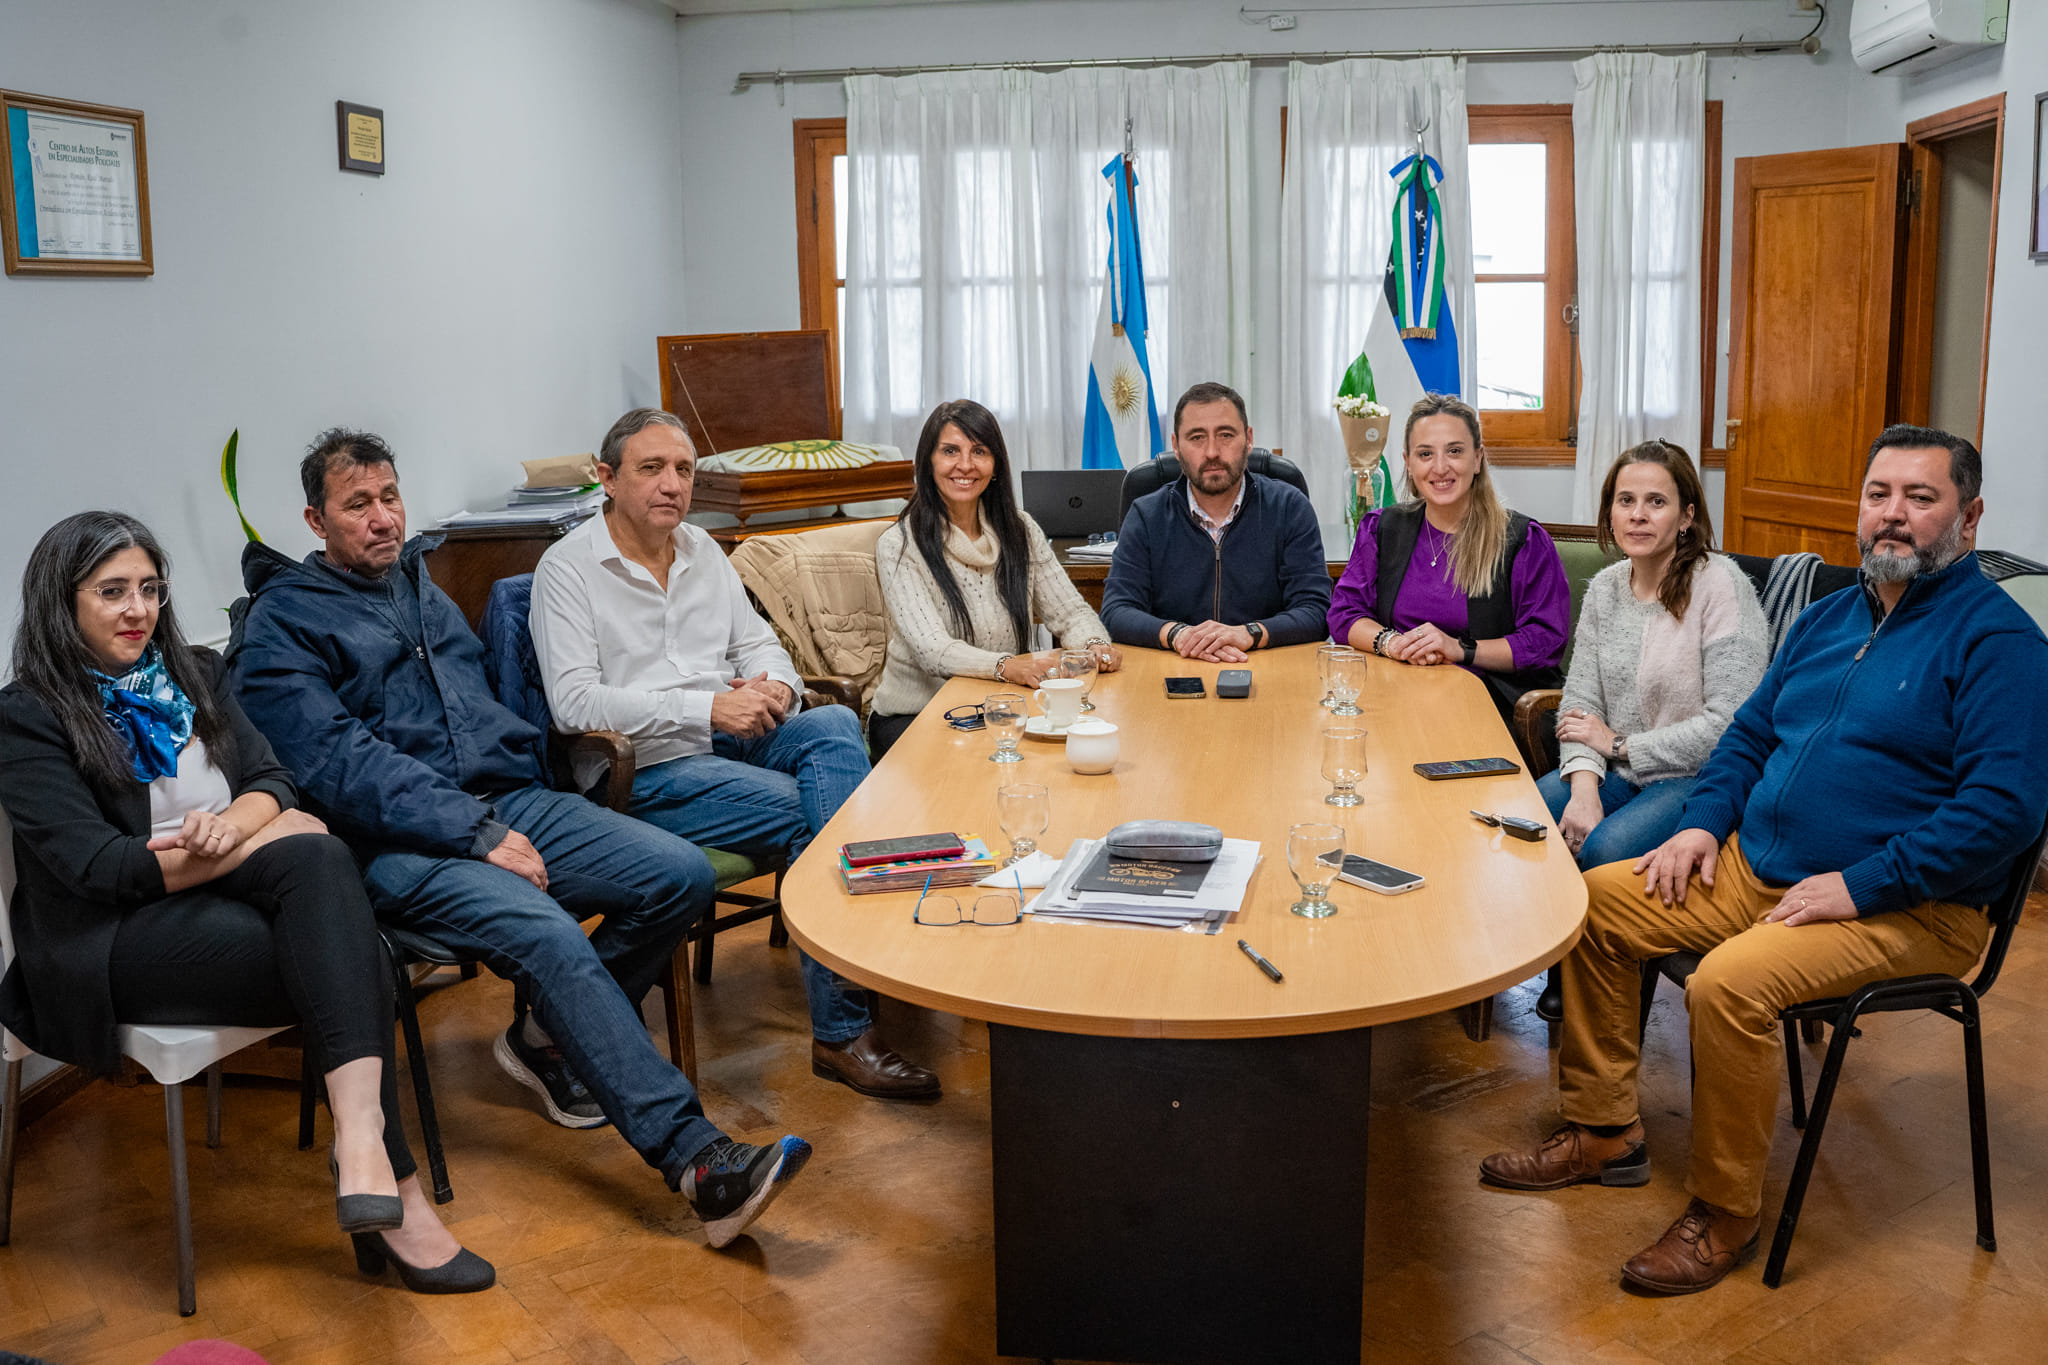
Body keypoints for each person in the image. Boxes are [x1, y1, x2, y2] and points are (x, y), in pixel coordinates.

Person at [1478, 425, 2048, 1296]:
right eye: (1879, 495)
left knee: (1728, 984)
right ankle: (1604, 1133)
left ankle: (1726, 1211)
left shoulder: (1999, 644)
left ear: (1968, 518)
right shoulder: (1828, 617)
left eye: (1920, 498)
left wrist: (1861, 884)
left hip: (1908, 906)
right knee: (1590, 902)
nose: (1893, 516)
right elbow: (1745, 740)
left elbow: (2003, 811)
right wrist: (1703, 824)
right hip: (1756, 863)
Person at [232, 429, 809, 1249]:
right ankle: (700, 1164)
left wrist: (521, 798)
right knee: (546, 933)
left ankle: (544, 1032)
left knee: (677, 874)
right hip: (398, 842)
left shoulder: (418, 589)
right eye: (357, 504)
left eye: (389, 496)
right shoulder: (281, 625)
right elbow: (339, 767)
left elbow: (484, 712)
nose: (382, 517)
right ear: (315, 520)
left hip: (509, 802)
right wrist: (473, 830)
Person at [0, 512, 489, 1292]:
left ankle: (362, 1142)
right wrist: (252, 838)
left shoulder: (194, 671)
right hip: (107, 942)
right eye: (112, 591)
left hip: (209, 903)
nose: (138, 609)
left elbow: (273, 781)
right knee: (346, 946)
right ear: (62, 602)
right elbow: (102, 869)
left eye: (150, 588)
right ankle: (392, 1185)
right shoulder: (27, 714)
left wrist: (235, 827)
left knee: (321, 863)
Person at [531, 407, 938, 1099]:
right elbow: (575, 704)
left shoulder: (701, 551)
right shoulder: (566, 570)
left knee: (834, 721)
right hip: (644, 769)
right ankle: (845, 1023)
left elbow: (757, 644)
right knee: (821, 814)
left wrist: (773, 685)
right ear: (607, 478)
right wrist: (707, 704)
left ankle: (857, 990)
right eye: (651, 468)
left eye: (684, 469)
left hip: (724, 739)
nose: (672, 484)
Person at [1530, 441, 1768, 1020]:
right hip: (1616, 770)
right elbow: (1580, 703)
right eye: (1625, 500)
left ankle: (1596, 998)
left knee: (1608, 851)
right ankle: (1562, 964)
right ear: (1609, 512)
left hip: (1698, 777)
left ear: (1687, 515)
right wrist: (1584, 789)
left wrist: (1618, 745)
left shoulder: (1721, 586)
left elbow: (1731, 725)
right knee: (1537, 812)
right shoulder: (1608, 588)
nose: (1638, 514)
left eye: (1656, 501)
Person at [869, 398, 1123, 758]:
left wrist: (1095, 645)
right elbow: (932, 651)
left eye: (979, 451)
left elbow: (1070, 612)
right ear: (928, 462)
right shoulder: (900, 544)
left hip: (1004, 707)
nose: (966, 465)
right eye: (950, 451)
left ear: (996, 464)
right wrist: (1008, 666)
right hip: (917, 716)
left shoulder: (1021, 530)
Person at [1326, 393, 1569, 721]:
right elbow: (1344, 614)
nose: (1440, 468)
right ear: (1408, 464)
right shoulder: (1382, 529)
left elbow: (1543, 642)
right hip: (1396, 698)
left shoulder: (1523, 540)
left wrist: (1459, 649)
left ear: (1477, 458)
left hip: (1487, 706)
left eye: (1455, 451)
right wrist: (1391, 643)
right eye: (1425, 454)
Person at [1099, 382, 1332, 662]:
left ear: (1248, 439)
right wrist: (1179, 635)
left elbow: (1316, 611)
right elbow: (1116, 611)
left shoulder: (1289, 507)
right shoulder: (1147, 515)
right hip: (1174, 672)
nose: (1211, 452)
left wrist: (1249, 633)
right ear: (1176, 446)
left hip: (1267, 668)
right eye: (1197, 437)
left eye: (1225, 435)